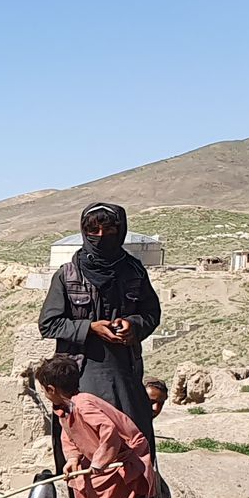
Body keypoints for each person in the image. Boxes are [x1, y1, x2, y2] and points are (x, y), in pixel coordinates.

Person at [41, 203, 162, 477]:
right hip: (80, 373)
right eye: (93, 230)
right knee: (83, 443)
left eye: (109, 230)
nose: (100, 236)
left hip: (123, 371)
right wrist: (90, 328)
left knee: (132, 440)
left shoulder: (134, 271)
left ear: (120, 231)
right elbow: (49, 324)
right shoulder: (67, 275)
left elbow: (151, 314)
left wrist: (133, 325)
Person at [34, 355, 155, 498]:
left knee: (106, 492)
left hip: (123, 455)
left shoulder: (84, 404)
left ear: (51, 389)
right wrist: (73, 458)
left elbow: (109, 430)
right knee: (80, 481)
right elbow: (70, 435)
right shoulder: (65, 408)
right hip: (101, 455)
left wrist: (100, 461)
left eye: (43, 390)